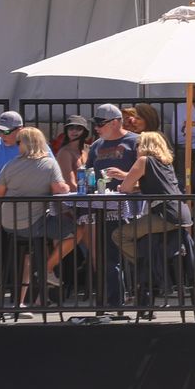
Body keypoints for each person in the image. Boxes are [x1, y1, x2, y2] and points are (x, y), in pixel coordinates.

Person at [0, 127, 73, 307]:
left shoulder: (11, 165)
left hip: (9, 223)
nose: (16, 146)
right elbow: (60, 189)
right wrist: (68, 188)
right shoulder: (48, 164)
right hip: (34, 223)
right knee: (76, 230)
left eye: (18, 143)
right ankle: (46, 269)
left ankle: (24, 301)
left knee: (30, 251)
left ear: (23, 144)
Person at [107, 130, 189, 317]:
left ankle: (144, 264)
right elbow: (145, 185)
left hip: (164, 215)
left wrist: (123, 181)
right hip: (180, 214)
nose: (135, 149)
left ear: (144, 146)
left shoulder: (144, 161)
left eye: (137, 145)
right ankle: (148, 264)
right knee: (139, 236)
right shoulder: (164, 163)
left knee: (119, 235)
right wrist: (126, 177)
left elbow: (127, 188)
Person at [69, 104, 139, 311]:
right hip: (103, 208)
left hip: (130, 207)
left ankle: (135, 298)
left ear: (116, 122)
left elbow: (148, 172)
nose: (97, 128)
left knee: (133, 256)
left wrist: (125, 177)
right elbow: (90, 172)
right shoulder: (97, 145)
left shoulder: (135, 142)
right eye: (95, 124)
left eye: (100, 124)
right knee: (108, 257)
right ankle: (114, 302)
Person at [53, 116, 92, 185]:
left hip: (86, 192)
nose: (74, 131)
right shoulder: (65, 153)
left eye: (78, 128)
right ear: (66, 131)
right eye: (71, 128)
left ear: (84, 132)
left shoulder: (87, 149)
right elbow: (70, 183)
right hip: (72, 194)